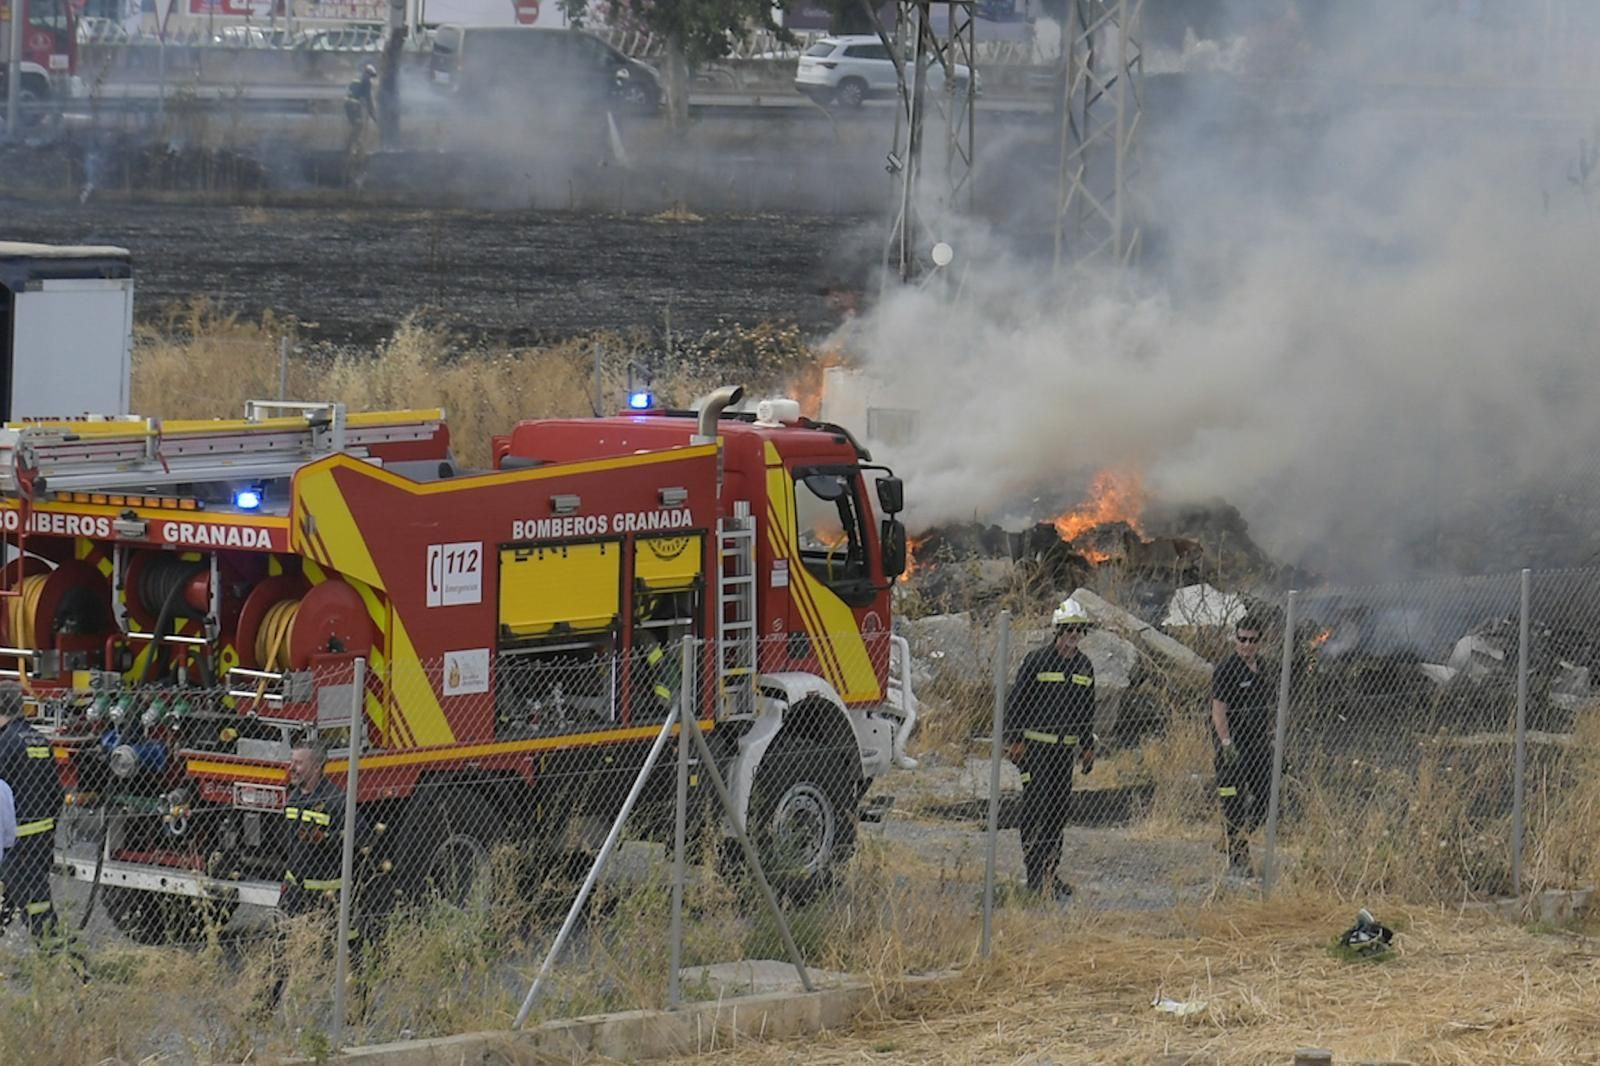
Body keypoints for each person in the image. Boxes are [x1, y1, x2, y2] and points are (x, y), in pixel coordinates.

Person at [1006, 597, 1097, 902]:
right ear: (1058, 630)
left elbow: (1086, 712)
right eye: (1069, 629)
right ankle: (1034, 878)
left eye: (1079, 630)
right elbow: (1017, 703)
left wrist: (1087, 748)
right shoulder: (1037, 661)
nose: (1074, 635)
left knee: (1058, 813)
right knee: (1035, 809)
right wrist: (1016, 740)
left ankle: (1049, 874)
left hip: (1063, 754)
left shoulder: (1084, 666)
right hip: (1035, 751)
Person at [1211, 614, 1278, 876]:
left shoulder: (1264, 667)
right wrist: (1226, 743)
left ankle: (1234, 838)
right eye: (1242, 639)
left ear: (1259, 642)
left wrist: (1271, 731)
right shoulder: (1226, 670)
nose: (1246, 645)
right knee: (1233, 801)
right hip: (1233, 746)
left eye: (1252, 640)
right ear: (1235, 638)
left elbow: (1269, 703)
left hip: (1258, 744)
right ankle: (1238, 860)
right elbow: (1218, 711)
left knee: (1265, 797)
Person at [0, 683, 65, 947]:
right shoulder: (39, 739)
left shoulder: (4, 744)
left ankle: (69, 964)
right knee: (19, 897)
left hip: (15, 843)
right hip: (39, 840)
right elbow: (56, 794)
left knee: (37, 908)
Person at [344, 64, 379, 155]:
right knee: (359, 126)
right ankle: (353, 147)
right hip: (354, 105)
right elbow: (369, 100)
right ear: (367, 73)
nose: (371, 78)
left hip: (348, 105)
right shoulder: (366, 82)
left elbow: (348, 91)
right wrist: (373, 116)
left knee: (356, 126)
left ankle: (355, 146)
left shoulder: (356, 80)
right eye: (371, 76)